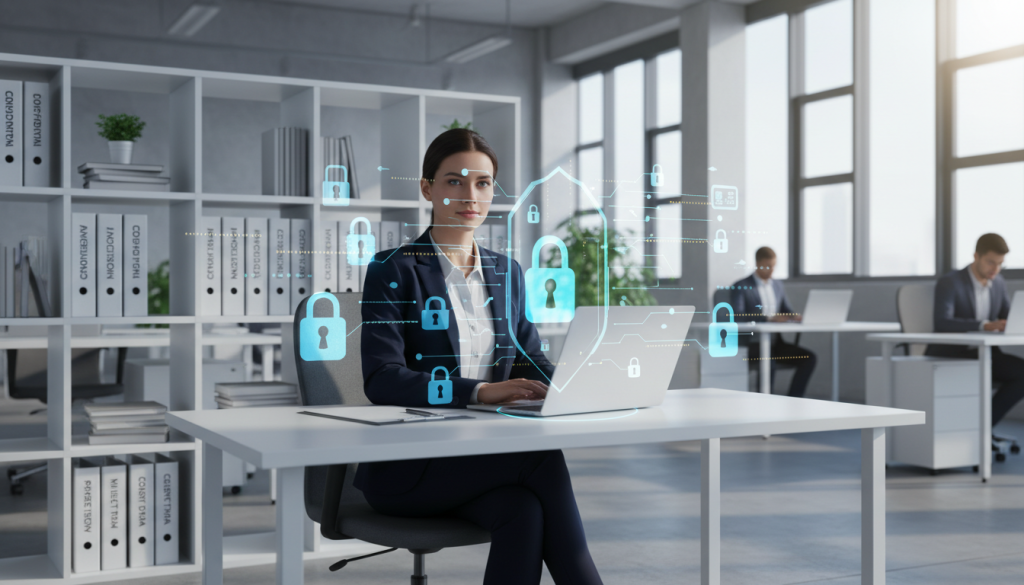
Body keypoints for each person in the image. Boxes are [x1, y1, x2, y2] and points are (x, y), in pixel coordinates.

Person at [357, 128, 604, 585]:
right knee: (541, 458)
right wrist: (482, 391)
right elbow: (382, 377)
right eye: (454, 181)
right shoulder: (392, 269)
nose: (470, 195)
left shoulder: (505, 271)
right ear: (428, 189)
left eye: (483, 183)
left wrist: (569, 384)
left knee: (524, 512)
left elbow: (528, 357)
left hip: (482, 453)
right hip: (409, 466)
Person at [926, 233, 1024, 430]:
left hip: (985, 355)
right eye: (990, 262)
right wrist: (983, 325)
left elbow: (1007, 316)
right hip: (952, 355)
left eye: (1000, 264)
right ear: (976, 256)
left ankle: (981, 426)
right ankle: (975, 429)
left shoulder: (998, 283)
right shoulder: (951, 282)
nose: (995, 269)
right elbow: (942, 322)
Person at [729, 246, 817, 398]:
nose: (771, 270)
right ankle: (765, 402)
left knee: (808, 358)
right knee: (767, 361)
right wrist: (767, 319)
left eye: (773, 266)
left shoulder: (777, 286)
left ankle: (794, 399)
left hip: (776, 344)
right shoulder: (741, 286)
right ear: (757, 263)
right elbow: (738, 316)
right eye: (767, 266)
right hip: (752, 345)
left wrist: (795, 317)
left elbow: (787, 310)